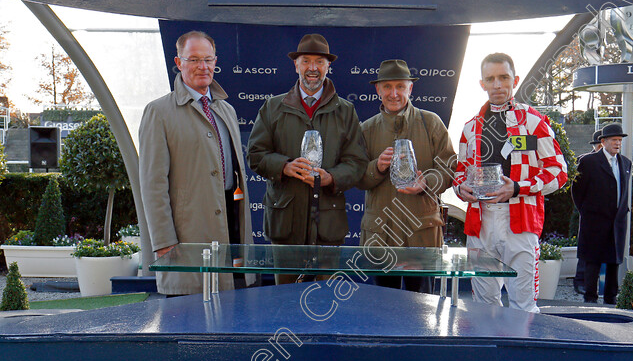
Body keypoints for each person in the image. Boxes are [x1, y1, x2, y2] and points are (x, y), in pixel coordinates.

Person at [139, 30, 254, 295]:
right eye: (193, 60)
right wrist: (164, 241)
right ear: (179, 63)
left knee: (234, 316)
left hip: (233, 228)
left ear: (215, 62)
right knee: (192, 318)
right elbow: (152, 184)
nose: (202, 66)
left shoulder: (227, 110)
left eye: (208, 59)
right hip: (188, 235)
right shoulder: (158, 112)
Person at [246, 33, 367, 283]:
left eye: (319, 62)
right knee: (286, 302)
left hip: (328, 224)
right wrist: (285, 167)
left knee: (323, 303)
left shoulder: (345, 111)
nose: (313, 68)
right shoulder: (272, 107)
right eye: (306, 61)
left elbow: (357, 162)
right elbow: (255, 155)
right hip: (285, 223)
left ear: (328, 66)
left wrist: (332, 178)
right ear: (296, 65)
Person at [453, 53, 567, 313]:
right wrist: (462, 188)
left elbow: (558, 171)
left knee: (523, 305)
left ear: (514, 80)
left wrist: (516, 187)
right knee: (483, 305)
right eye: (490, 79)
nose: (497, 85)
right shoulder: (470, 127)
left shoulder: (534, 121)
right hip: (480, 222)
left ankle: (525, 352)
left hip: (520, 220)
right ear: (482, 83)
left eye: (503, 78)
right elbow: (460, 171)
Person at [357, 59, 458, 293]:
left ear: (410, 89)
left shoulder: (431, 122)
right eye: (387, 87)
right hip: (381, 236)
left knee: (422, 309)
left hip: (421, 234)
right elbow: (356, 176)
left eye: (400, 87)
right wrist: (377, 167)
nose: (394, 93)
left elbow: (450, 167)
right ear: (378, 90)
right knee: (383, 310)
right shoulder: (366, 129)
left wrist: (426, 182)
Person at [572, 123, 631, 304]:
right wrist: (588, 212)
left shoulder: (626, 163)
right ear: (603, 141)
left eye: (620, 140)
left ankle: (611, 298)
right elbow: (577, 191)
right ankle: (590, 299)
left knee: (614, 261)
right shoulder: (588, 162)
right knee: (592, 261)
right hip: (594, 221)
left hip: (617, 222)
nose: (618, 143)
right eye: (614, 140)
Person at [573, 128, 603, 294]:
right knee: (586, 247)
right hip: (589, 211)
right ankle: (580, 281)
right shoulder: (583, 160)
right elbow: (577, 189)